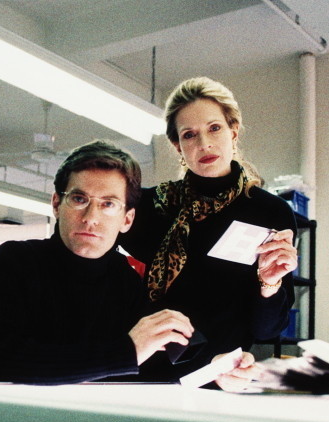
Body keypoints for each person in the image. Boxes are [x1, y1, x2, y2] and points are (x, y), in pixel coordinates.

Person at [0, 140, 194, 384]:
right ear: (56, 204)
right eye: (79, 199)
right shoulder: (12, 262)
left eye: (108, 204)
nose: (91, 218)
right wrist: (124, 353)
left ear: (127, 219)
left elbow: (152, 364)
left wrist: (212, 369)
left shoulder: (126, 281)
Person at [119, 77, 298, 387]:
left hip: (219, 376)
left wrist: (269, 283)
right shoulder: (148, 207)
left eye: (214, 128)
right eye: (189, 135)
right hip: (143, 373)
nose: (204, 144)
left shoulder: (270, 212)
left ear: (233, 132)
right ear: (178, 146)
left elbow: (268, 330)